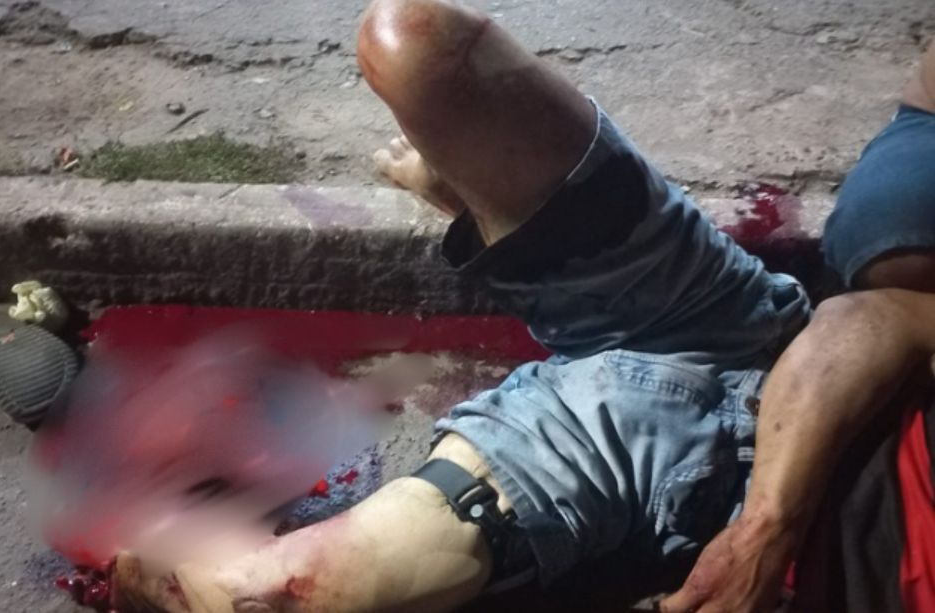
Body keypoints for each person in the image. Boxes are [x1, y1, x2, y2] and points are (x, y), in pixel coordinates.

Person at [107, 3, 935, 611]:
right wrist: (767, 532)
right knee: (413, 44)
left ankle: (493, 223)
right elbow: (874, 320)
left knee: (265, 594)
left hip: (673, 481)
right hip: (753, 341)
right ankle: (495, 218)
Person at [662, 39, 935, 613]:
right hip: (810, 429)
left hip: (728, 465)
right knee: (886, 235)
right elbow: (876, 320)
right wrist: (761, 537)